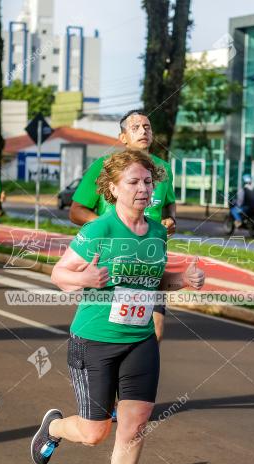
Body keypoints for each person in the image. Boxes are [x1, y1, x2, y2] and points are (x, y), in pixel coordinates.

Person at [30, 150, 205, 464]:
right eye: (134, 182)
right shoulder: (99, 231)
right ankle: (55, 427)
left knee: (135, 423)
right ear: (113, 189)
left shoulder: (157, 232)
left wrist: (184, 281)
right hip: (94, 339)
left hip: (140, 340)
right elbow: (59, 274)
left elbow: (156, 282)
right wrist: (84, 279)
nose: (144, 189)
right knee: (95, 433)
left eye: (148, 182)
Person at [69, 110, 177, 344]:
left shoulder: (162, 169)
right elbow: (76, 210)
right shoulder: (104, 166)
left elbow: (169, 204)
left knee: (155, 331)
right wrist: (112, 228)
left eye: (147, 127)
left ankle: (136, 375)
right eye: (135, 127)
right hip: (112, 260)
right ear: (123, 138)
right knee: (108, 332)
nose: (143, 131)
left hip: (149, 261)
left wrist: (171, 220)